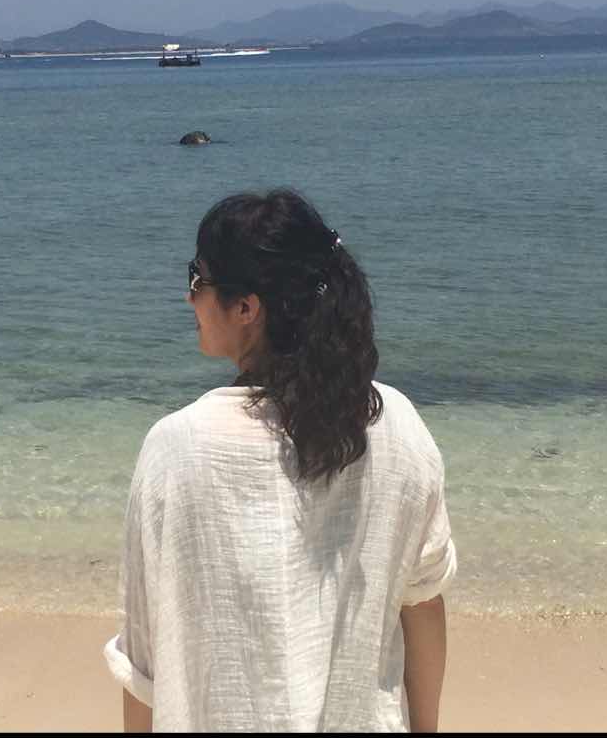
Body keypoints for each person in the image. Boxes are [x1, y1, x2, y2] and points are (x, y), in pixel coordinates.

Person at [103, 189, 457, 732]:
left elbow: (144, 664)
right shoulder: (399, 425)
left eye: (197, 279)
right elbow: (424, 605)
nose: (188, 297)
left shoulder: (177, 449)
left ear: (247, 307)